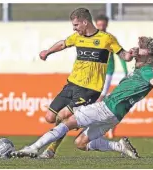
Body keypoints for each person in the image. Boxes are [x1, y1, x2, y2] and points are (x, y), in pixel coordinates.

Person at [11, 36, 153, 159]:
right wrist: (136, 52)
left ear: (149, 59)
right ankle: (119, 146)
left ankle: (33, 148)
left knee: (67, 121)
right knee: (80, 143)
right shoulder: (142, 69)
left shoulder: (148, 70)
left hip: (107, 108)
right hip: (115, 116)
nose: (137, 58)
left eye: (141, 56)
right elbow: (138, 60)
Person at [36, 8, 139, 159]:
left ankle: (51, 150)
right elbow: (62, 44)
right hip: (72, 84)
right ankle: (81, 121)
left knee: (64, 115)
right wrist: (48, 52)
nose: (74, 28)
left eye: (76, 25)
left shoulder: (107, 39)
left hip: (90, 89)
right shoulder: (77, 37)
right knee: (50, 117)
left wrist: (130, 54)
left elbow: (124, 55)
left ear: (85, 22)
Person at [95, 14, 128, 102]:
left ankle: (92, 114)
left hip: (107, 70)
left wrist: (125, 71)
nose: (101, 28)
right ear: (96, 25)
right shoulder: (91, 38)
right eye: (99, 25)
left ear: (107, 25)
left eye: (103, 25)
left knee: (102, 95)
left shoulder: (110, 39)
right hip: (93, 70)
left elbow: (121, 54)